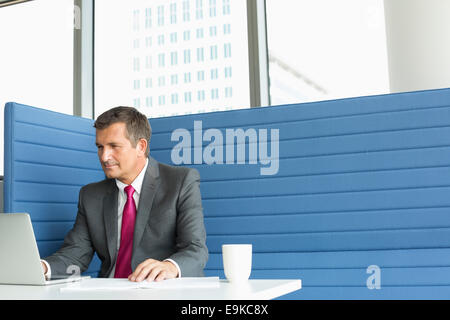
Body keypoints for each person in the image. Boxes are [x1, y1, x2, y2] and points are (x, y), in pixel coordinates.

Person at [41, 106, 208, 281]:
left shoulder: (180, 182)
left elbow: (195, 249)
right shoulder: (90, 195)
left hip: (159, 289)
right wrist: (42, 268)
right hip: (110, 292)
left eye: (114, 146)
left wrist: (169, 266)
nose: (104, 156)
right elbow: (75, 255)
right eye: (100, 147)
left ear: (140, 146)